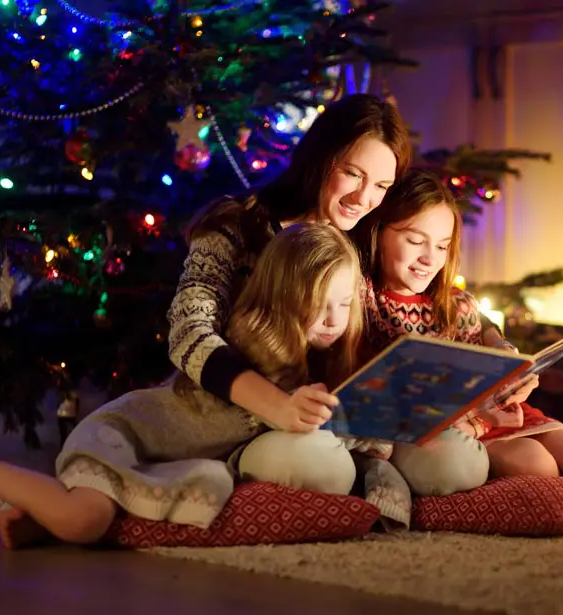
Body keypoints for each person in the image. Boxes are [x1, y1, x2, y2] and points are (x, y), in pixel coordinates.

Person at [0, 224, 365, 547]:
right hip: (125, 435)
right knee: (85, 520)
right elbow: (267, 406)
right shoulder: (253, 340)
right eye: (319, 304)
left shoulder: (313, 355)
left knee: (114, 514)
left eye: (343, 304)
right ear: (284, 296)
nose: (333, 319)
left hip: (165, 458)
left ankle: (43, 520)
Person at [169, 94, 490, 496]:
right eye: (353, 174)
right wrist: (278, 407)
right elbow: (189, 334)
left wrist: (497, 343)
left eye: (382, 185)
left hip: (349, 423)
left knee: (457, 465)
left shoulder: (364, 236)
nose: (364, 198)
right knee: (325, 470)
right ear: (320, 159)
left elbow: (436, 298)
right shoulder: (237, 225)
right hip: (249, 414)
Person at [351, 169, 563, 486]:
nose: (429, 258)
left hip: (505, 414)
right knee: (537, 467)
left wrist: (513, 372)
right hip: (466, 429)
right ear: (379, 231)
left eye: (441, 246)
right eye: (415, 240)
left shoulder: (456, 304)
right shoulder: (362, 301)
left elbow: (489, 346)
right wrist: (481, 418)